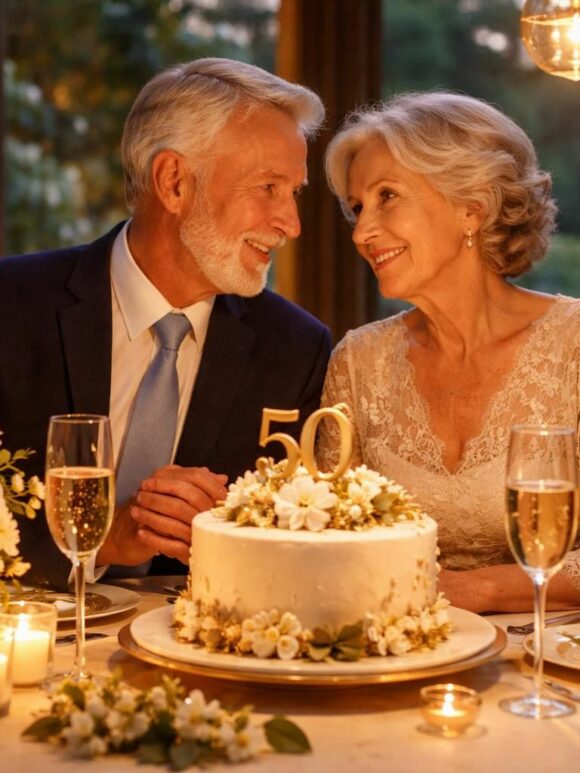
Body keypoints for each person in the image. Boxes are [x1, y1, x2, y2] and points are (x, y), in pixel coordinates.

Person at [0, 58, 331, 589]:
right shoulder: (11, 307)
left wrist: (238, 532)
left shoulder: (295, 349)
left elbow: (300, 552)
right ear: (173, 182)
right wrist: (106, 538)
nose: (289, 223)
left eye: (294, 192)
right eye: (268, 187)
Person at [318, 91, 580, 613]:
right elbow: (327, 539)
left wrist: (480, 589)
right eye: (357, 208)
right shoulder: (358, 362)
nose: (363, 232)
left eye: (387, 196)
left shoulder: (574, 345)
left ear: (471, 208)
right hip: (403, 654)